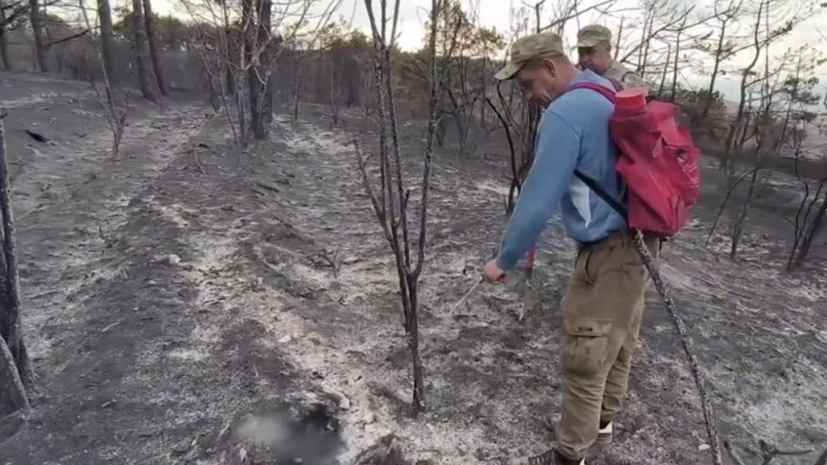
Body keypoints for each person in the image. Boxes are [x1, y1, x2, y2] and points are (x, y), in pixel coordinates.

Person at [486, 32, 660, 465]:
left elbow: (538, 198)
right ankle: (601, 424)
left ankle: (569, 455)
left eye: (528, 84)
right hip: (641, 243)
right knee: (618, 341)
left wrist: (504, 259)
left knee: (585, 353)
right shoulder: (605, 89)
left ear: (549, 67)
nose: (530, 96)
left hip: (608, 250)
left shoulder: (565, 112)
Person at [576, 24, 647, 89]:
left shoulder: (628, 80)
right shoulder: (575, 78)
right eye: (581, 53)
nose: (585, 59)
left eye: (590, 52)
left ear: (608, 49)